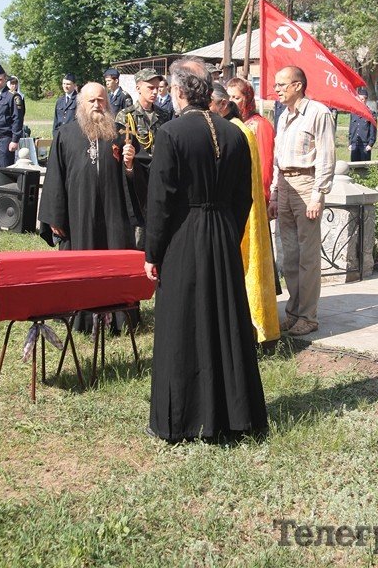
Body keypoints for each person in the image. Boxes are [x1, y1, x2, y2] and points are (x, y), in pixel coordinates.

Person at [144, 58, 268, 442]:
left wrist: (152, 252)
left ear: (179, 91)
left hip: (184, 236)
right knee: (224, 322)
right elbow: (244, 197)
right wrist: (228, 231)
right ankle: (234, 414)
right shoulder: (235, 134)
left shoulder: (172, 133)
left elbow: (161, 202)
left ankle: (182, 419)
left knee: (183, 322)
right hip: (222, 232)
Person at [39, 82, 140, 332]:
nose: (97, 104)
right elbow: (55, 178)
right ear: (81, 104)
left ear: (108, 103)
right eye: (91, 100)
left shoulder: (121, 134)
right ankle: (81, 318)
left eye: (101, 100)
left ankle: (119, 319)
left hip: (114, 214)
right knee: (81, 264)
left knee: (115, 263)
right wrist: (55, 217)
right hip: (78, 215)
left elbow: (140, 179)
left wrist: (130, 166)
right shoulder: (65, 134)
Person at [268, 66, 336, 337]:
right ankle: (293, 313)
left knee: (307, 255)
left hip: (307, 184)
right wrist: (274, 192)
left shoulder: (318, 113)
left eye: (282, 85)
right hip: (285, 185)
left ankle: (308, 316)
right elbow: (277, 158)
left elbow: (326, 156)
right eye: (276, 85)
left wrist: (318, 195)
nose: (277, 89)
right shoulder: (284, 116)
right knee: (290, 256)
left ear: (298, 85)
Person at [210, 83, 280, 343]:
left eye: (237, 97)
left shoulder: (249, 128)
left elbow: (261, 172)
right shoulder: (232, 128)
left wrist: (262, 201)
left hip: (247, 210)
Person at [115, 68, 171, 248]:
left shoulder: (164, 115)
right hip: (137, 176)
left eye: (158, 87)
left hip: (159, 175)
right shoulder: (126, 115)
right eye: (150, 87)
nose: (155, 91)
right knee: (139, 225)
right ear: (138, 88)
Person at [226, 77, 275, 204]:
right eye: (228, 97)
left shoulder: (260, 124)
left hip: (253, 191)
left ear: (247, 98)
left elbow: (265, 163)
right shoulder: (230, 123)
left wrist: (263, 195)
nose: (230, 102)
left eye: (236, 98)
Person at [348, 87, 377, 161]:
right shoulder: (353, 112)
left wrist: (370, 144)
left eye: (362, 99)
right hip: (354, 144)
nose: (360, 101)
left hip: (365, 145)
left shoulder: (371, 113)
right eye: (359, 99)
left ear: (366, 100)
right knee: (354, 168)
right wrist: (350, 143)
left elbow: (373, 130)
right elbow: (351, 129)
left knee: (365, 168)